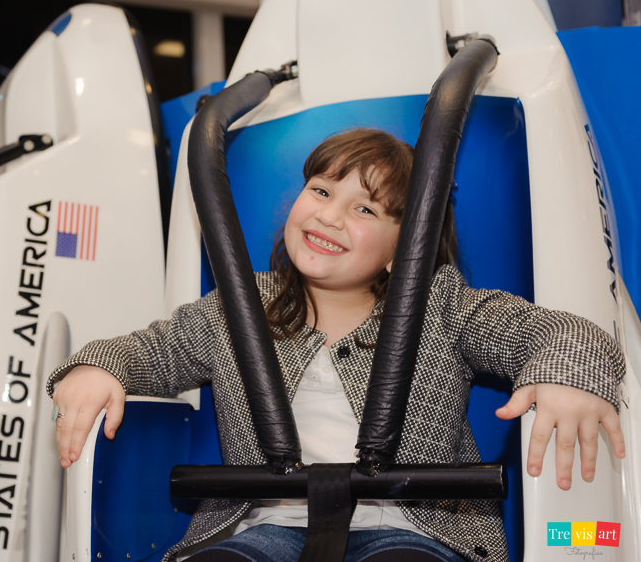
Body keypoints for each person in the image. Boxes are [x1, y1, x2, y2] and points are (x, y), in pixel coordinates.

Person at [47, 129, 626, 562]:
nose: (328, 215)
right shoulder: (240, 307)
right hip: (262, 525)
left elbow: (566, 334)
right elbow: (150, 351)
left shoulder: (442, 308)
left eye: (365, 209)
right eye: (321, 190)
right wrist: (95, 367)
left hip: (411, 527)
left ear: (408, 248)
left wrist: (565, 376)